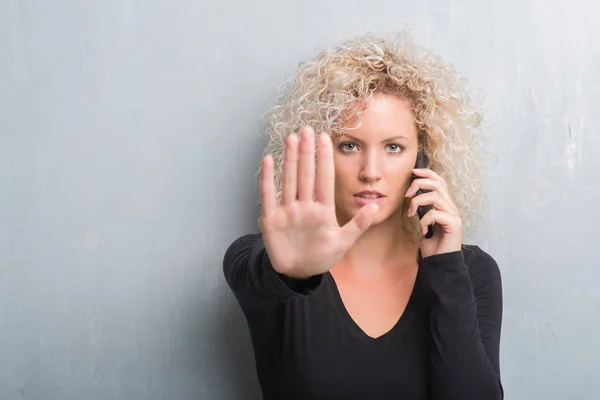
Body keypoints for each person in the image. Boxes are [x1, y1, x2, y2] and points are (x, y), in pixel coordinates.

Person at [223, 32, 503, 400]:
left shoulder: (473, 272)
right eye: (349, 145)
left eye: (393, 147)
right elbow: (259, 273)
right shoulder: (270, 261)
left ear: (423, 158)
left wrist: (447, 267)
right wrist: (290, 273)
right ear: (321, 154)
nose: (371, 170)